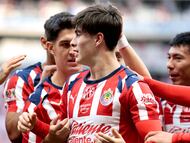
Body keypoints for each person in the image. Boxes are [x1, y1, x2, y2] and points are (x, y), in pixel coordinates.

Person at [29, 4, 161, 143]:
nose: (73, 42)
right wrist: (35, 126)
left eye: (78, 34)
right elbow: (65, 135)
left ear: (98, 39)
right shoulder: (72, 84)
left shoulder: (133, 86)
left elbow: (157, 140)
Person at [17, 11, 82, 143]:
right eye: (65, 44)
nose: (73, 51)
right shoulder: (36, 102)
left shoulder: (102, 86)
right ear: (50, 48)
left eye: (78, 43)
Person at [3, 12, 58, 142]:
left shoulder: (85, 79)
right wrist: (40, 88)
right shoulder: (23, 78)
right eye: (65, 44)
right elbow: (14, 134)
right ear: (46, 44)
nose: (72, 51)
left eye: (75, 44)